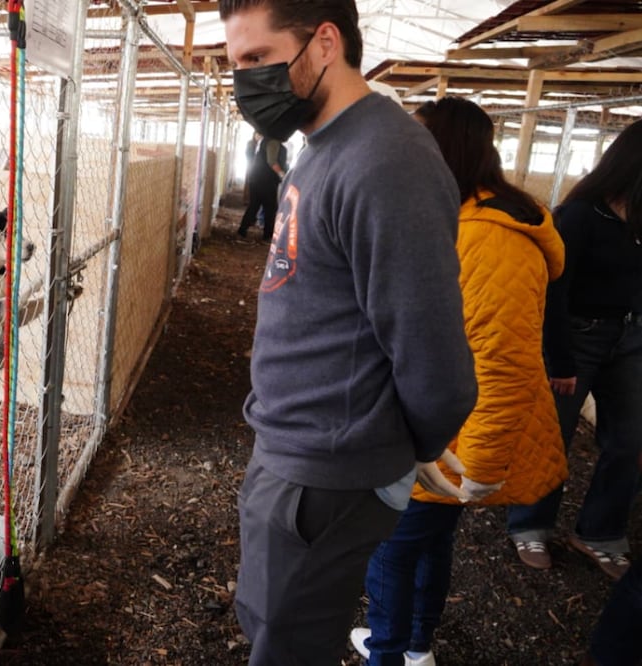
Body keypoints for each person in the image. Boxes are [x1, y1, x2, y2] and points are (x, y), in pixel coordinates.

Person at [219, 1, 478, 664]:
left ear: (324, 42)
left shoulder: (386, 159)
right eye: (235, 64)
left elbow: (430, 349)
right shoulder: (327, 144)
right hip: (298, 452)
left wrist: (410, 442)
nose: (244, 79)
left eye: (255, 58)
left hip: (329, 470)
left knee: (290, 644)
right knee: (271, 621)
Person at [348, 96, 568, 666]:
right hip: (438, 424)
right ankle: (414, 647)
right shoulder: (459, 215)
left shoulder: (491, 236)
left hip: (448, 436)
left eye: (414, 142)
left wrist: (480, 467)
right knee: (425, 540)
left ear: (444, 151)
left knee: (392, 548)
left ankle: (388, 653)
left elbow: (503, 362)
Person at [507, 118, 642, 580]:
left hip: (630, 337)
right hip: (578, 335)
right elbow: (554, 289)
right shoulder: (582, 215)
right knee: (552, 437)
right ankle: (530, 522)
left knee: (630, 439)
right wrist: (559, 358)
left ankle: (600, 530)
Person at [238, 132, 286, 240]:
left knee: (254, 204)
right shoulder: (273, 142)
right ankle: (267, 235)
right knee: (270, 207)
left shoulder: (264, 141)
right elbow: (272, 161)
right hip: (265, 179)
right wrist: (282, 174)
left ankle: (242, 229)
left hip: (257, 177)